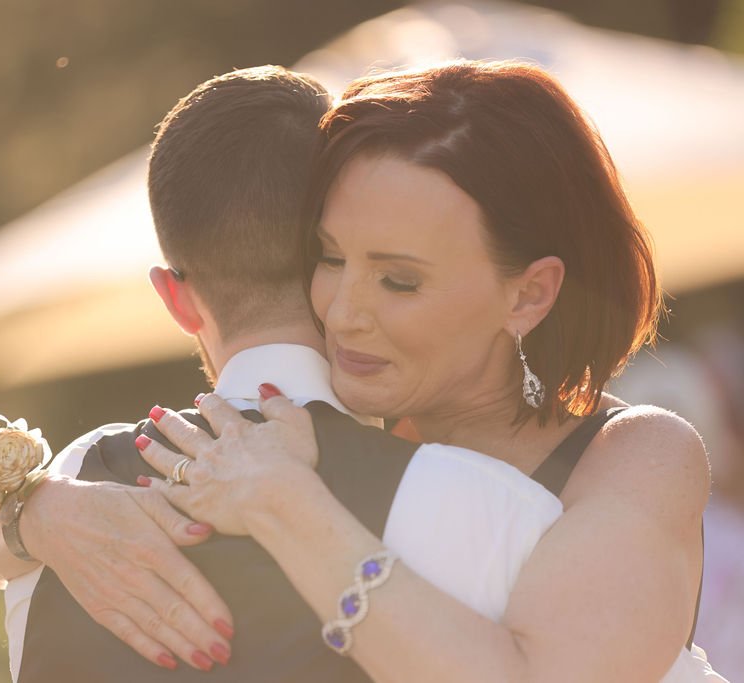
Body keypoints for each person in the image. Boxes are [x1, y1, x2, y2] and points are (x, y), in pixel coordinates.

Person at [137, 60, 727, 682]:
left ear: (528, 295)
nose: (341, 313)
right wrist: (37, 517)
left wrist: (288, 507)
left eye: (399, 280)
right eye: (330, 257)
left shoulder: (638, 455)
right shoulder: (325, 424)